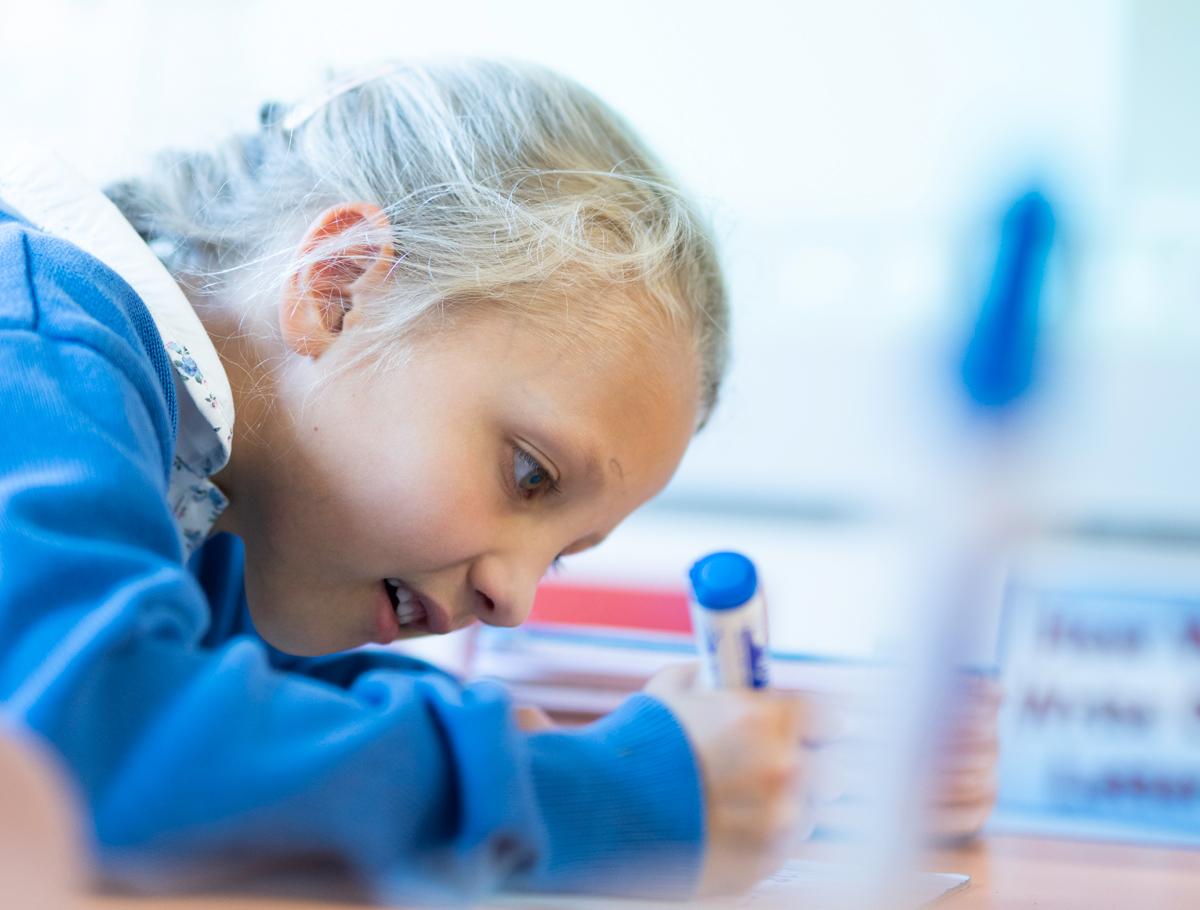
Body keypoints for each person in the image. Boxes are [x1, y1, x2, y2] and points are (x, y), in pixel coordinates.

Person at [0, 59, 808, 902]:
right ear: (339, 286)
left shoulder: (215, 496)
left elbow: (243, 672)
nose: (517, 599)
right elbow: (83, 757)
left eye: (563, 555)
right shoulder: (35, 347)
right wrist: (597, 795)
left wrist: (492, 744)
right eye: (530, 476)